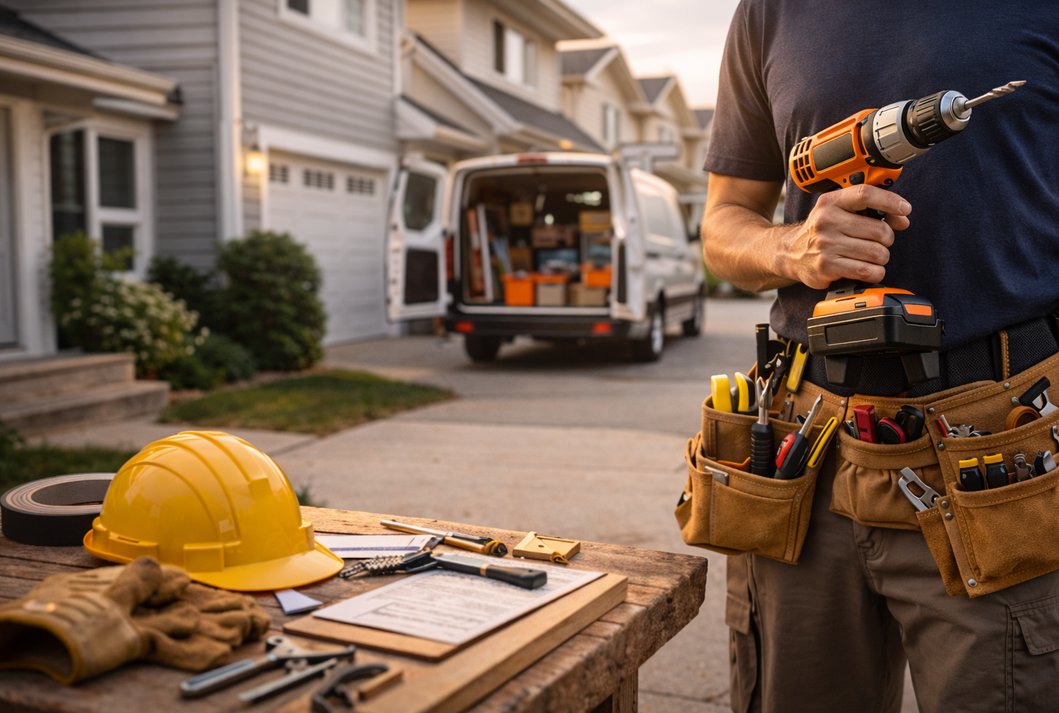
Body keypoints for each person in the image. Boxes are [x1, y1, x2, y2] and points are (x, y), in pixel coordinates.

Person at [699, 1, 1059, 711]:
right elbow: (722, 225)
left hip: (999, 444)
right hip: (805, 446)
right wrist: (791, 247)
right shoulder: (769, 12)